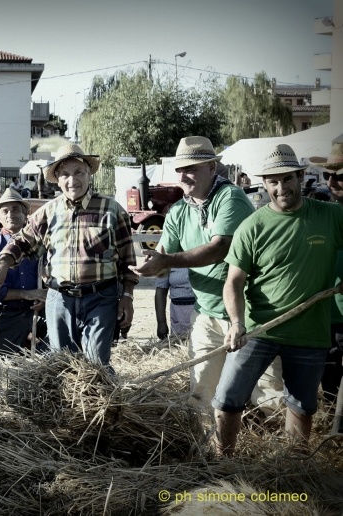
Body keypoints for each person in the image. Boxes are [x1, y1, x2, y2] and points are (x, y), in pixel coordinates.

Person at [131, 136, 282, 410]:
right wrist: (150, 266)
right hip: (208, 314)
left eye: (191, 168)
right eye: (180, 169)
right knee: (201, 393)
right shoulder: (177, 211)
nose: (184, 176)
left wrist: (165, 260)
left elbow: (220, 248)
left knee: (268, 395)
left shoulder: (230, 197)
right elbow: (162, 258)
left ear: (212, 168)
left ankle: (275, 452)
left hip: (254, 312)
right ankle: (206, 451)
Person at [214, 144, 343, 455]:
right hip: (259, 330)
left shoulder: (330, 216)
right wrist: (236, 323)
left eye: (287, 179)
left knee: (302, 405)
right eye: (273, 181)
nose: (280, 188)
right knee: (228, 397)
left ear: (300, 177)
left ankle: (293, 471)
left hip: (310, 334)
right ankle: (221, 462)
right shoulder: (253, 226)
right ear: (265, 183)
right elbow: (233, 281)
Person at [0, 144, 137, 367]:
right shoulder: (48, 212)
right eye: (65, 174)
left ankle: (100, 402)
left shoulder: (111, 209)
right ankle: (70, 404)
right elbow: (22, 241)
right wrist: (3, 264)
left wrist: (128, 297)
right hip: (59, 300)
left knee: (96, 366)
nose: (72, 180)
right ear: (56, 178)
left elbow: (128, 261)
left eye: (78, 172)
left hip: (100, 299)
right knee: (61, 366)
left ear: (88, 174)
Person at [0, 188, 47, 354]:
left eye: (15, 209)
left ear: (25, 213)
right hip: (6, 316)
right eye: (5, 211)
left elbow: (51, 276)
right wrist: (27, 294)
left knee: (53, 357)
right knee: (9, 368)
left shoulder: (39, 243)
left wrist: (44, 297)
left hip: (37, 311)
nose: (10, 215)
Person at [312, 142, 343, 403]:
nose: (332, 180)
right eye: (327, 174)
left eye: (339, 174)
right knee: (331, 390)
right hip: (325, 316)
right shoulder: (320, 213)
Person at [154, 268, 195, 339]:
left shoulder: (207, 258)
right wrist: (161, 323)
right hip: (178, 314)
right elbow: (161, 291)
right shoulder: (167, 259)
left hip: (202, 313)